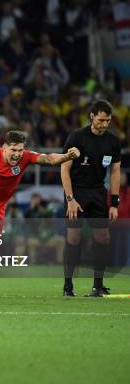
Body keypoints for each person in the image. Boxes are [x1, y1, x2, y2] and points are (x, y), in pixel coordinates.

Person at [0, 130, 80, 297]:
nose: (17, 154)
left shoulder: (26, 158)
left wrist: (67, 156)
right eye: (13, 150)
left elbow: (49, 159)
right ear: (4, 148)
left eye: (20, 150)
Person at [61, 100, 122, 297]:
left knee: (103, 237)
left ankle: (98, 286)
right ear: (92, 117)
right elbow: (65, 168)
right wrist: (70, 198)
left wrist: (113, 203)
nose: (104, 124)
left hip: (97, 192)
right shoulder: (77, 136)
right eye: (101, 120)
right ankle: (68, 286)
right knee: (74, 237)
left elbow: (115, 172)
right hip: (76, 191)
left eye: (108, 120)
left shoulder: (113, 141)